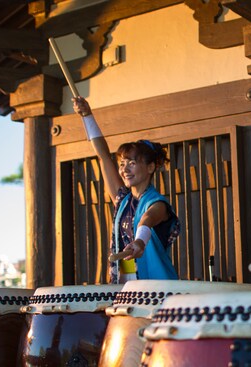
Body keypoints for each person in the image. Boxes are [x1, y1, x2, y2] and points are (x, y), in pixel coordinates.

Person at [73, 97, 179, 284]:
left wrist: (139, 242)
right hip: (128, 284)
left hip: (158, 289)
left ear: (150, 167)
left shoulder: (158, 203)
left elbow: (146, 220)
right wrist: (87, 116)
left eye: (132, 163)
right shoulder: (123, 200)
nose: (124, 169)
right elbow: (103, 156)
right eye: (122, 164)